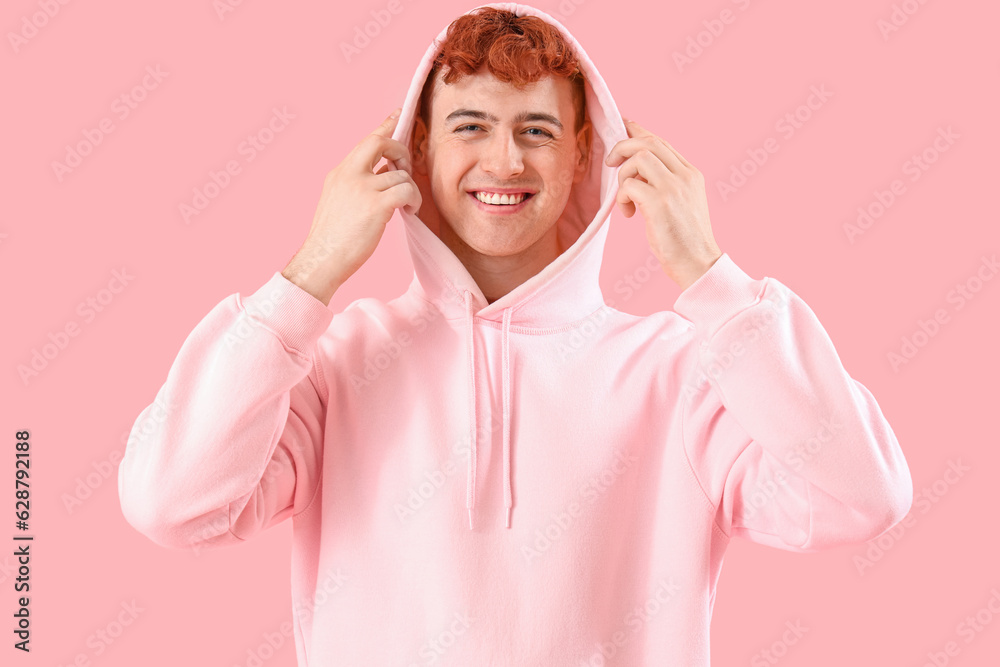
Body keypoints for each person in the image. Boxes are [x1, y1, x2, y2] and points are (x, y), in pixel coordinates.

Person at [118, 3, 913, 664]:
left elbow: (863, 496)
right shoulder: (332, 367)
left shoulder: (681, 374)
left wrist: (711, 276)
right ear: (419, 150)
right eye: (470, 124)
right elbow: (170, 501)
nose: (504, 160)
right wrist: (310, 273)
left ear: (583, 156)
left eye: (536, 130)